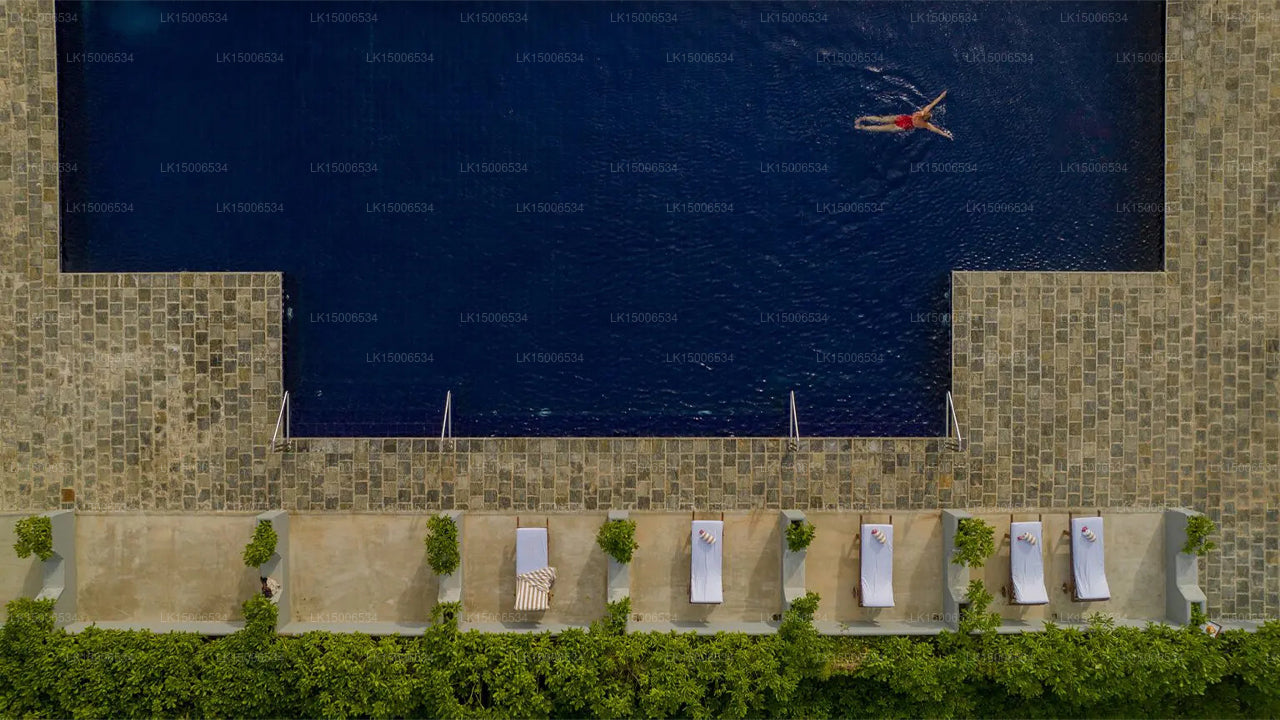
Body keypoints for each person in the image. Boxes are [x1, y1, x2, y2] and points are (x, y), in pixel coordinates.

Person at [855, 90, 953, 139]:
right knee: (879, 128)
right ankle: (861, 127)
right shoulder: (926, 125)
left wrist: (942, 95)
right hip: (903, 126)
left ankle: (863, 118)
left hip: (902, 118)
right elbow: (938, 131)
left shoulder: (922, 112)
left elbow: (933, 103)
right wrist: (947, 135)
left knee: (881, 119)